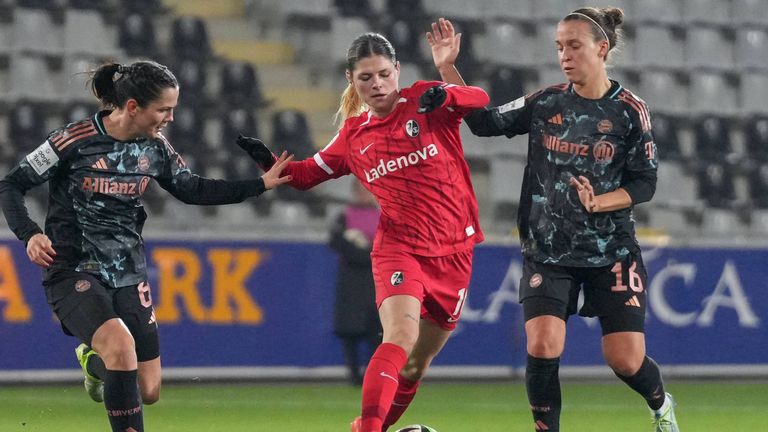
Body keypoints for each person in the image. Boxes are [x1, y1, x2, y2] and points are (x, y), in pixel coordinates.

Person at [0, 60, 293, 432]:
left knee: (148, 388)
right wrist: (30, 233)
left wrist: (259, 184)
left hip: (128, 271)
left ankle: (93, 362)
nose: (170, 118)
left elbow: (193, 189)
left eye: (172, 109)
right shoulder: (72, 140)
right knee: (122, 349)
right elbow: (11, 184)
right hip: (73, 267)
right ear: (134, 107)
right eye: (164, 110)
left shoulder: (155, 149)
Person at [428, 11, 679, 432]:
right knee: (543, 345)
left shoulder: (630, 111)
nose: (564, 55)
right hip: (547, 250)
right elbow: (485, 122)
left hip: (611, 250)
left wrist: (599, 203)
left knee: (625, 360)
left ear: (602, 49)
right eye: (559, 46)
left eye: (574, 45)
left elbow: (645, 183)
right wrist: (447, 68)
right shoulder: (546, 101)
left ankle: (660, 403)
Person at [236, 31, 489, 432]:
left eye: (384, 74)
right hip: (399, 247)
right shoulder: (353, 136)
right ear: (350, 80)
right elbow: (305, 176)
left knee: (415, 363)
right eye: (366, 78)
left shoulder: (426, 100)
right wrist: (270, 162)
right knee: (400, 336)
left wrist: (449, 92)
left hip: (455, 251)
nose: (377, 84)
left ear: (398, 72)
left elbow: (480, 99)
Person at [329, 180, 382, 386]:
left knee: (375, 329)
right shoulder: (344, 216)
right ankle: (353, 374)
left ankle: (372, 374)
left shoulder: (382, 217)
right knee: (350, 328)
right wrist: (364, 253)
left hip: (375, 280)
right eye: (359, 191)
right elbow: (335, 242)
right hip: (351, 279)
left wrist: (363, 252)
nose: (363, 195)